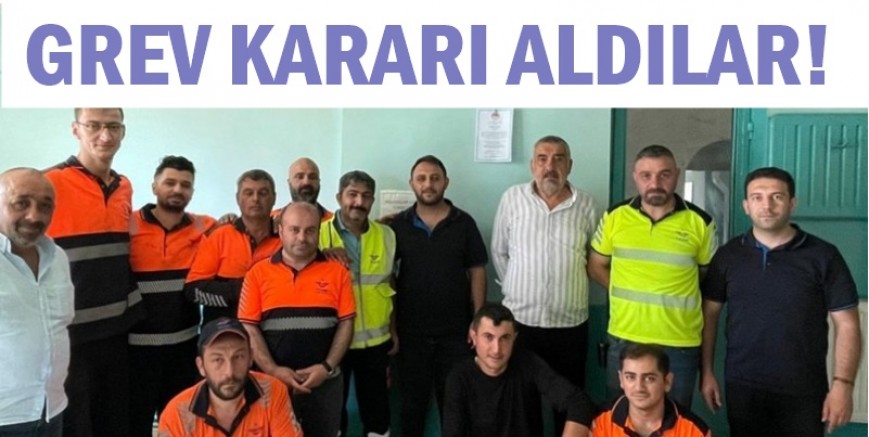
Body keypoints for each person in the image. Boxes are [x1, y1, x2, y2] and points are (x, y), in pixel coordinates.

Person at [700, 167, 861, 437]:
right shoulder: (728, 256)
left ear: (792, 203)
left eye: (777, 196)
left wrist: (843, 385)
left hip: (804, 389)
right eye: (757, 197)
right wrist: (706, 372)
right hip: (744, 386)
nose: (767, 205)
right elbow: (709, 315)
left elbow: (848, 325)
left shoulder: (824, 256)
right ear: (746, 206)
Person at [587, 144, 716, 407]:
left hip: (679, 344)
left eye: (664, 174)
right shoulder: (615, 217)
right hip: (624, 339)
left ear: (677, 175)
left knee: (675, 422)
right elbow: (595, 265)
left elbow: (707, 279)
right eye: (646, 175)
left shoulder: (700, 222)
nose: (655, 183)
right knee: (621, 421)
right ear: (635, 177)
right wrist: (625, 287)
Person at [44, 107, 145, 437]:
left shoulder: (124, 186)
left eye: (113, 126)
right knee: (76, 426)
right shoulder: (49, 183)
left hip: (116, 329)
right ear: (76, 129)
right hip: (70, 334)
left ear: (123, 131)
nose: (105, 135)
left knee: (114, 422)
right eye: (94, 126)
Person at [490, 135, 598, 435]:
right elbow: (499, 251)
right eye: (542, 158)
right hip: (521, 324)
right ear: (532, 165)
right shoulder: (512, 198)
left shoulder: (587, 205)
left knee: (570, 405)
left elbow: (595, 259)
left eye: (558, 159)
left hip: (570, 325)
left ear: (570, 165)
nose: (550, 166)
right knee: (523, 406)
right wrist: (519, 287)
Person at [389, 155, 488, 436]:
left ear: (446, 182)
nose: (428, 184)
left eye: (435, 178)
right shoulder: (398, 226)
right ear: (412, 184)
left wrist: (477, 322)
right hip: (411, 335)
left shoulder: (464, 223)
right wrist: (392, 327)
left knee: (456, 409)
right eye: (421, 178)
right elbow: (388, 278)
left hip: (456, 335)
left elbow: (477, 272)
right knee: (411, 409)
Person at [239, 201, 355, 437]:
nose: (302, 237)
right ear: (281, 231)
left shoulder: (338, 273)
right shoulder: (257, 274)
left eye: (310, 230)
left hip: (325, 383)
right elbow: (249, 327)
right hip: (272, 384)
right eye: (294, 229)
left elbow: (346, 323)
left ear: (318, 232)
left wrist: (326, 368)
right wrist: (273, 370)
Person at [128, 156, 218, 437]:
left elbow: (240, 231)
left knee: (180, 426)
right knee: (133, 425)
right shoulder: (127, 226)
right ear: (154, 186)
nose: (178, 189)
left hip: (183, 350)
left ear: (192, 192)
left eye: (185, 185)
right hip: (135, 352)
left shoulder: (206, 227)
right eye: (170, 182)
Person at [319, 170, 397, 437]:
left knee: (377, 415)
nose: (358, 202)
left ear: (372, 201)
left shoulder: (387, 235)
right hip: (331, 342)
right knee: (332, 414)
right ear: (339, 197)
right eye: (352, 194)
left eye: (365, 196)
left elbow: (391, 284)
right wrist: (322, 254)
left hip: (376, 343)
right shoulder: (318, 234)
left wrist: (394, 330)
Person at [443, 303, 596, 437]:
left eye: (505, 338)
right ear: (474, 336)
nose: (496, 349)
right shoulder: (459, 377)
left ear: (514, 338)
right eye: (488, 337)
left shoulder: (528, 363)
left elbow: (579, 403)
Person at [0, 168, 74, 437]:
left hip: (51, 410)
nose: (34, 216)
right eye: (21, 203)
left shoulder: (58, 258)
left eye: (45, 206)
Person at [156, 317, 302, 437]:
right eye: (218, 360)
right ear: (201, 366)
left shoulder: (273, 392)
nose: (229, 372)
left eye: (238, 357)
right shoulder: (177, 413)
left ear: (251, 358)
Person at [184, 169, 282, 324]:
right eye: (248, 193)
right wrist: (245, 289)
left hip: (271, 331)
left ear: (274, 198)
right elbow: (193, 290)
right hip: (224, 332)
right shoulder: (220, 237)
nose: (255, 199)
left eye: (263, 193)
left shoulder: (286, 240)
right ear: (238, 198)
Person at [591, 343, 711, 437]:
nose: (639, 387)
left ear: (667, 381)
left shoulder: (694, 431)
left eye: (649, 378)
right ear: (621, 380)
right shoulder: (600, 422)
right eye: (630, 377)